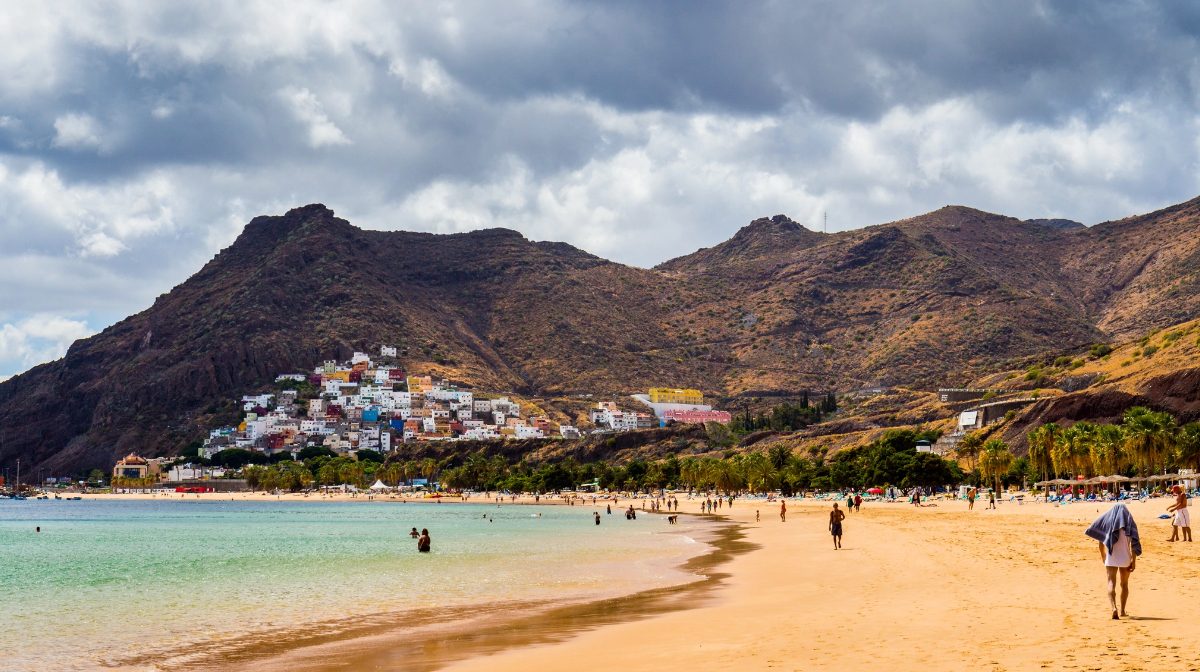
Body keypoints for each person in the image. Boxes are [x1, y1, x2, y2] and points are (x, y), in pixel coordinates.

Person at [1085, 503, 1141, 620]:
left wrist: (1103, 555)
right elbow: (1134, 545)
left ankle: (1113, 608)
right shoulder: (1130, 524)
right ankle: (1122, 611)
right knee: (1124, 585)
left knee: (1111, 583)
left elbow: (1101, 541)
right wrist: (1133, 560)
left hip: (1111, 557)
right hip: (1125, 558)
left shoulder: (1109, 524)